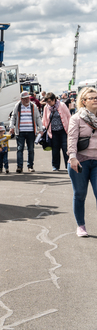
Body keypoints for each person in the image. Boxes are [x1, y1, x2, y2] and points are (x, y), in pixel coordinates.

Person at [67, 87, 97, 237]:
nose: (95, 99)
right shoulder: (76, 118)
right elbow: (71, 139)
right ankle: (81, 226)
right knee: (79, 194)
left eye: (96, 97)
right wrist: (72, 157)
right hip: (80, 162)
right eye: (92, 98)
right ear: (84, 102)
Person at [9, 91, 43, 173]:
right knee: (20, 149)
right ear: (21, 99)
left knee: (30, 149)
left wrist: (40, 129)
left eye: (27, 98)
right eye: (24, 99)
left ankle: (30, 166)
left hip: (31, 131)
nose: (27, 100)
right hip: (20, 131)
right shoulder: (18, 106)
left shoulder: (33, 106)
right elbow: (13, 116)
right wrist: (11, 127)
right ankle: (19, 166)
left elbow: (38, 118)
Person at [41, 92, 71, 171]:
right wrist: (43, 129)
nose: (48, 103)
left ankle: (68, 166)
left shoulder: (62, 105)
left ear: (54, 100)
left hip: (63, 131)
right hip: (53, 132)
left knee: (65, 149)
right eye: (47, 102)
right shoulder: (46, 108)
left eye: (49, 101)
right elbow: (44, 119)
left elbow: (68, 116)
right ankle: (55, 166)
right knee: (55, 150)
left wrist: (70, 129)